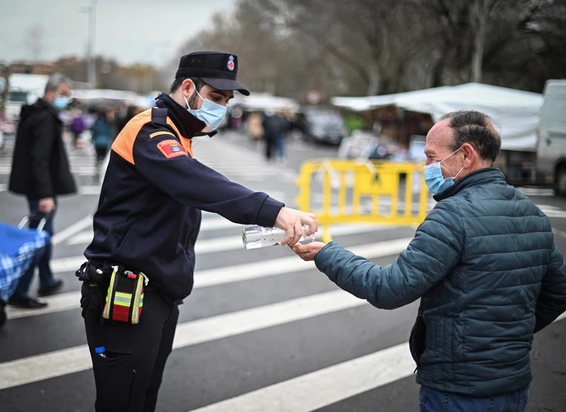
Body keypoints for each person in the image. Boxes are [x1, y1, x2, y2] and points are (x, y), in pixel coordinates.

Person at [79, 51, 318, 412]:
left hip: (156, 292)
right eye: (217, 98)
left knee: (141, 398)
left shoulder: (177, 131)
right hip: (127, 293)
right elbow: (197, 183)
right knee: (122, 403)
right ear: (188, 87)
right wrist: (275, 211)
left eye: (226, 101)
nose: (221, 107)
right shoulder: (150, 129)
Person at [291, 110, 566, 412]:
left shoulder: (452, 216)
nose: (426, 168)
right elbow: (559, 290)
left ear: (466, 155)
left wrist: (326, 253)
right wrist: (510, 335)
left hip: (457, 390)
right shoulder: (532, 214)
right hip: (514, 385)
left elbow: (389, 288)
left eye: (432, 157)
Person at [8, 73, 76, 308]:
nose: (66, 99)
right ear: (52, 91)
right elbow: (40, 159)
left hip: (35, 185)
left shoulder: (35, 113)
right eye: (64, 94)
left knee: (44, 236)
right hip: (40, 188)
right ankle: (19, 291)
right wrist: (46, 194)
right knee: (38, 239)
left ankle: (46, 280)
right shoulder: (45, 118)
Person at [90, 107, 114, 172]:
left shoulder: (97, 123)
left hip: (97, 142)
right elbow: (110, 133)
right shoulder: (108, 124)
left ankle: (98, 166)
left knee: (98, 155)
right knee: (103, 156)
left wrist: (92, 139)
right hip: (105, 142)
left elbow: (93, 131)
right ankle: (101, 165)